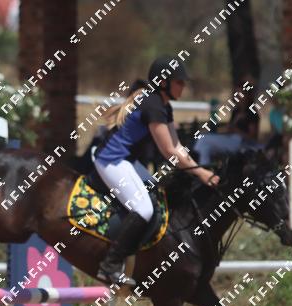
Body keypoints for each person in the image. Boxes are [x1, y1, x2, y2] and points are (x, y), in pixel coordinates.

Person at [93, 55, 220, 286]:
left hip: (127, 161)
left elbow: (178, 147)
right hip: (112, 160)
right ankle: (109, 265)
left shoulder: (163, 105)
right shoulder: (153, 105)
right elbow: (169, 152)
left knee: (157, 196)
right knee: (143, 209)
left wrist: (200, 169)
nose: (183, 87)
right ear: (163, 82)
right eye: (179, 82)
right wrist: (201, 174)